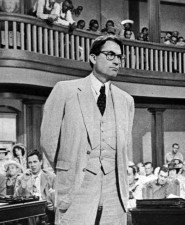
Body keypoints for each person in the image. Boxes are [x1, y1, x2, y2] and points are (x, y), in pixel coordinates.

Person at [40, 35, 135, 225]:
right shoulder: (65, 91)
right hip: (75, 187)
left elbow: (125, 147)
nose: (117, 61)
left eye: (120, 57)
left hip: (114, 191)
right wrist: (70, 166)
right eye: (110, 55)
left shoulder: (126, 100)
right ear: (93, 58)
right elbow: (48, 141)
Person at [15, 150, 56, 224]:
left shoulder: (51, 177)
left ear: (41, 162)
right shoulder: (21, 178)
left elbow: (58, 196)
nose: (32, 165)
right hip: (29, 211)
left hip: (46, 211)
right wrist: (24, 183)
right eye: (30, 162)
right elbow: (16, 199)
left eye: (35, 162)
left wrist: (53, 205)